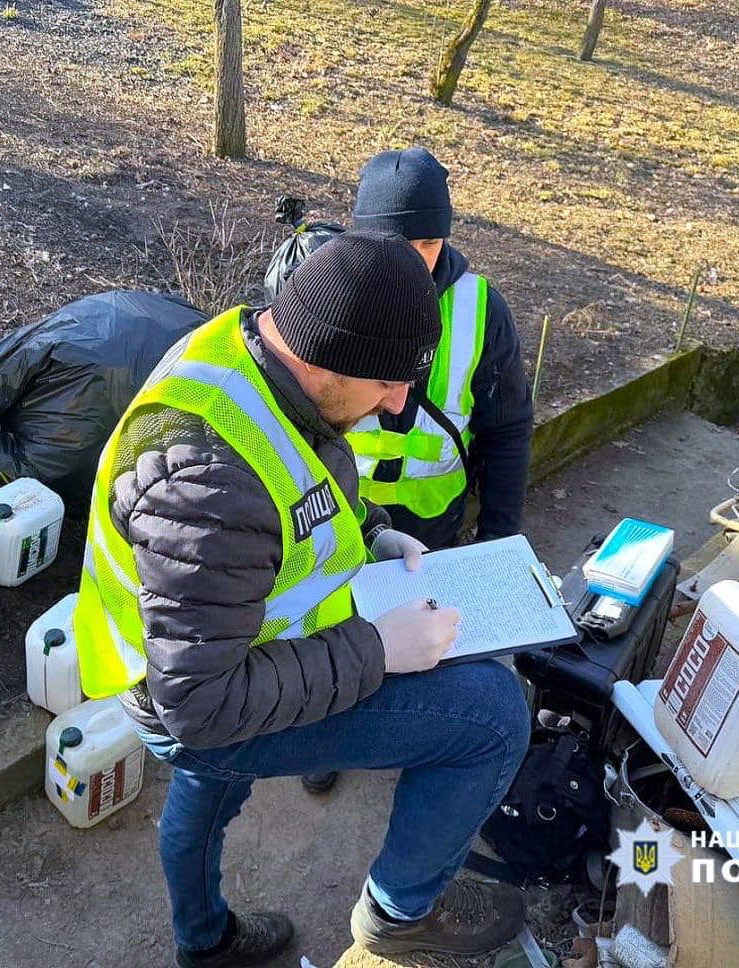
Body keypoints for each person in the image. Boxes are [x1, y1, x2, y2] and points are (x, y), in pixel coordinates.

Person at [72, 231, 532, 967]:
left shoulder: (255, 359)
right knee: (492, 714)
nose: (398, 402)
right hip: (198, 706)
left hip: (225, 652)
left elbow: (300, 477)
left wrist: (372, 530)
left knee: (210, 796)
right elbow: (204, 706)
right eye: (388, 382)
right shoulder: (207, 483)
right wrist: (380, 649)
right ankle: (400, 915)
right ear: (330, 357)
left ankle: (205, 942)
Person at [302, 146, 535, 796]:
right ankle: (330, 733)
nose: (415, 259)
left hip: (435, 524)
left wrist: (501, 536)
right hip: (338, 521)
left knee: (430, 634)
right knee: (337, 630)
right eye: (396, 242)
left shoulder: (482, 308)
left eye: (429, 242)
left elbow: (508, 427)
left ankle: (419, 729)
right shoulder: (328, 298)